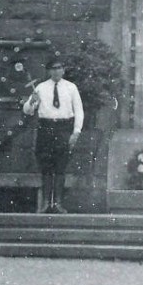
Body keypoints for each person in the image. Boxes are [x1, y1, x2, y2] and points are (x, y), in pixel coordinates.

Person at [23, 55, 83, 214]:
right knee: (46, 167)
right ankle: (45, 203)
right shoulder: (41, 88)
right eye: (53, 69)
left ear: (63, 70)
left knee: (61, 168)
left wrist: (76, 132)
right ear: (49, 71)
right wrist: (31, 101)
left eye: (59, 68)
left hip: (64, 129)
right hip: (46, 128)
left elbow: (79, 111)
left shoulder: (71, 88)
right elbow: (28, 111)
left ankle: (58, 203)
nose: (56, 71)